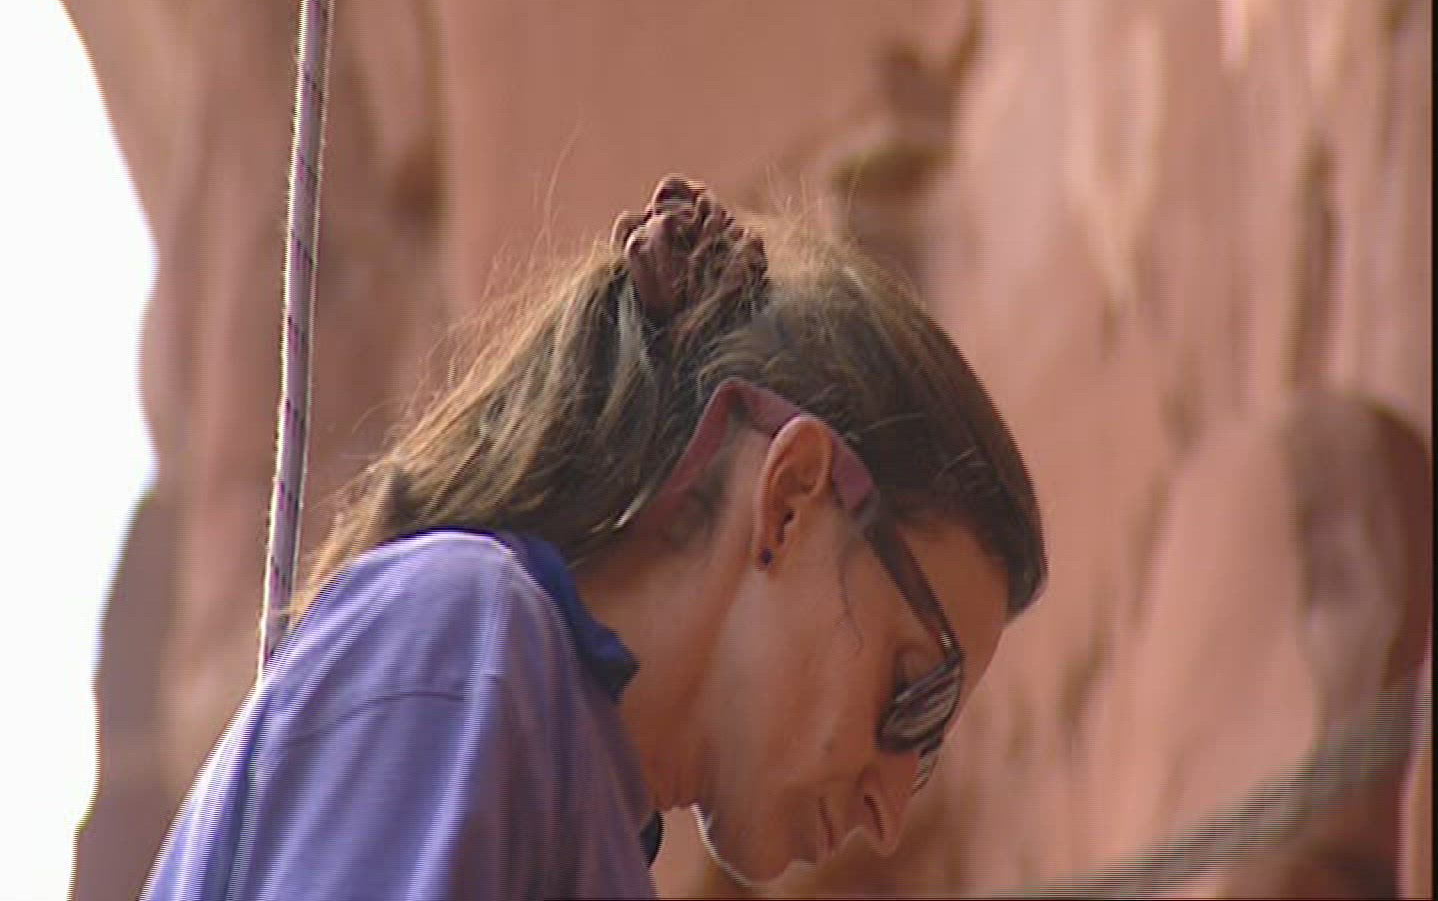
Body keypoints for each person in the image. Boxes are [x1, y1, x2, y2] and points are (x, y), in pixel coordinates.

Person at [141, 175, 1047, 899]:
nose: (888, 815)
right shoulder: (468, 638)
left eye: (927, 756)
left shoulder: (558, 768)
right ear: (790, 500)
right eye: (914, 697)